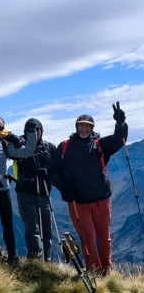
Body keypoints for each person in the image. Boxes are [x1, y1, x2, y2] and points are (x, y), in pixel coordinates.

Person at [48, 105, 128, 274]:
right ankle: (93, 271)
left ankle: (105, 271)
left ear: (92, 128)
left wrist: (121, 123)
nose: (84, 128)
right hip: (78, 202)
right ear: (76, 127)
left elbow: (119, 139)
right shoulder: (65, 146)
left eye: (88, 126)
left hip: (101, 199)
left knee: (104, 239)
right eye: (81, 125)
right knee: (88, 240)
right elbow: (52, 171)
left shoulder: (99, 144)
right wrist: (64, 188)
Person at [0, 117, 37, 266]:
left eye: (0, 128)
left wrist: (31, 134)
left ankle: (13, 257)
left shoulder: (5, 144)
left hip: (3, 190)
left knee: (8, 224)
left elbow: (27, 151)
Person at [13, 118, 57, 260]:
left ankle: (47, 258)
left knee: (46, 228)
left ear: (41, 130)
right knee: (32, 227)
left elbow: (57, 168)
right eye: (30, 130)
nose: (34, 132)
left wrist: (47, 173)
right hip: (25, 192)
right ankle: (35, 259)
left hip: (44, 192)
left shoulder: (49, 147)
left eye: (37, 129)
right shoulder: (20, 146)